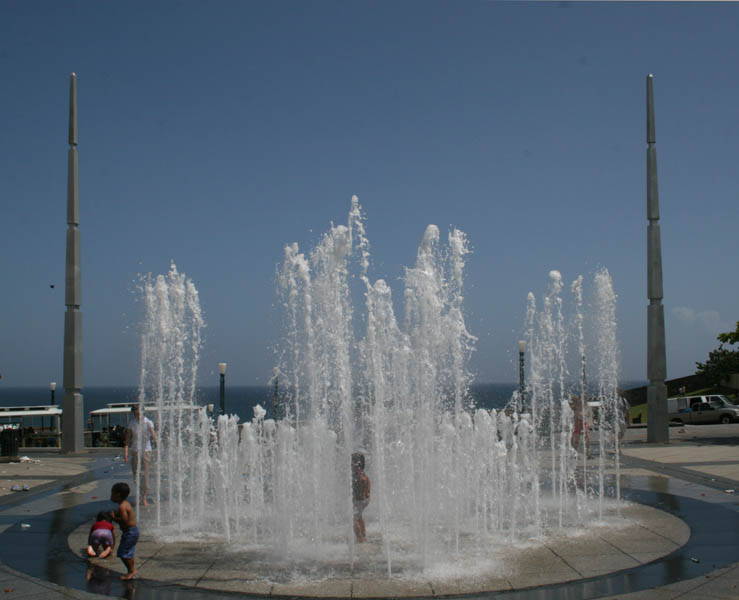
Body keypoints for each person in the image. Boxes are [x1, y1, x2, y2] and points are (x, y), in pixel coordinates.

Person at [124, 405, 157, 506]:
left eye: (139, 413)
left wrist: (156, 442)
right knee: (136, 475)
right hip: (135, 451)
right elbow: (127, 439)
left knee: (144, 474)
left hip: (146, 451)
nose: (137, 415)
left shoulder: (148, 422)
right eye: (135, 414)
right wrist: (125, 452)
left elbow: (153, 434)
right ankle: (139, 494)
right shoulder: (132, 423)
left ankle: (144, 497)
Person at [110, 481, 139, 580]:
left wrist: (113, 518)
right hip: (132, 531)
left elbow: (125, 520)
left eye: (112, 493)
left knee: (122, 552)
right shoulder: (125, 503)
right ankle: (131, 570)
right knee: (128, 552)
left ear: (118, 495)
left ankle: (131, 571)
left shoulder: (122, 507)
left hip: (130, 532)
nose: (111, 496)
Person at [351, 452, 370, 543]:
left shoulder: (358, 473)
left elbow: (363, 481)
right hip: (364, 499)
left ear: (356, 463)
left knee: (353, 519)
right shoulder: (361, 471)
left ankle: (360, 538)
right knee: (359, 517)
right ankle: (363, 535)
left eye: (351, 461)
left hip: (360, 499)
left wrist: (362, 494)